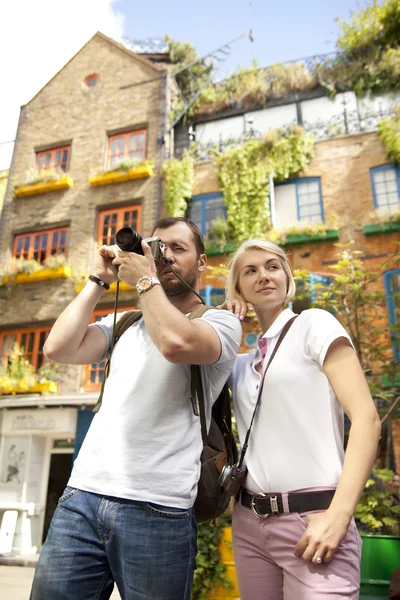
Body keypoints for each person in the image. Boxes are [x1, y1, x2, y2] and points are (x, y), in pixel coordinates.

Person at [30, 217, 242, 600]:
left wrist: (146, 280)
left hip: (158, 508)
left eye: (179, 248)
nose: (166, 256)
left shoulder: (220, 322)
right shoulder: (126, 323)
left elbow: (176, 343)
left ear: (202, 261)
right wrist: (98, 280)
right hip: (82, 497)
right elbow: (57, 349)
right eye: (158, 248)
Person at [222, 239, 381, 600]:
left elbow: (367, 420)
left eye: (272, 266)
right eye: (250, 270)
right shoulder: (242, 363)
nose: (264, 275)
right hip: (249, 523)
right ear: (238, 288)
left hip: (313, 518)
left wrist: (339, 516)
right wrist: (224, 319)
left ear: (287, 277)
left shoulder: (313, 324)